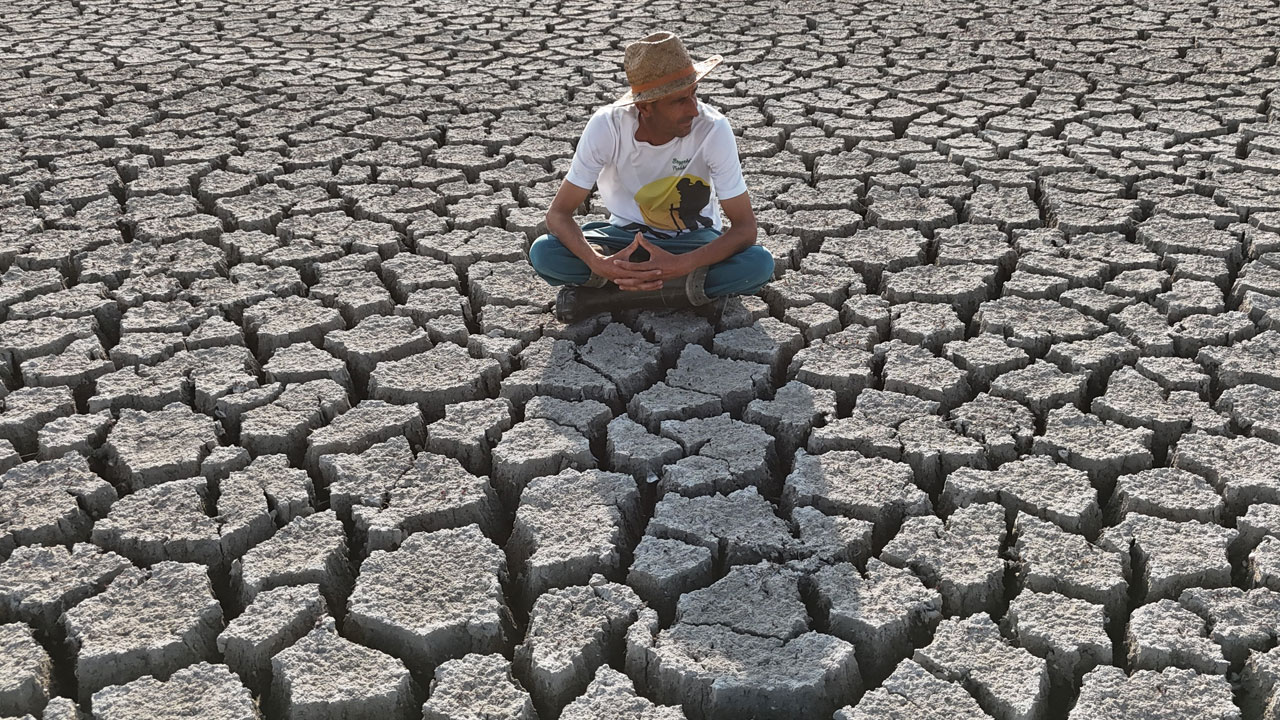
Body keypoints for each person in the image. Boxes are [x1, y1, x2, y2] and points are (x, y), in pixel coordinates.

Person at [527, 32, 774, 322]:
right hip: (624, 243)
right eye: (680, 100)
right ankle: (689, 294)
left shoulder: (713, 129)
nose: (694, 109)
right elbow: (558, 215)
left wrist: (680, 265)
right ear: (644, 107)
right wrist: (600, 262)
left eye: (694, 94)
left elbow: (745, 228)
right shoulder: (608, 127)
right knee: (545, 252)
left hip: (692, 243)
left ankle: (603, 298)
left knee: (758, 264)